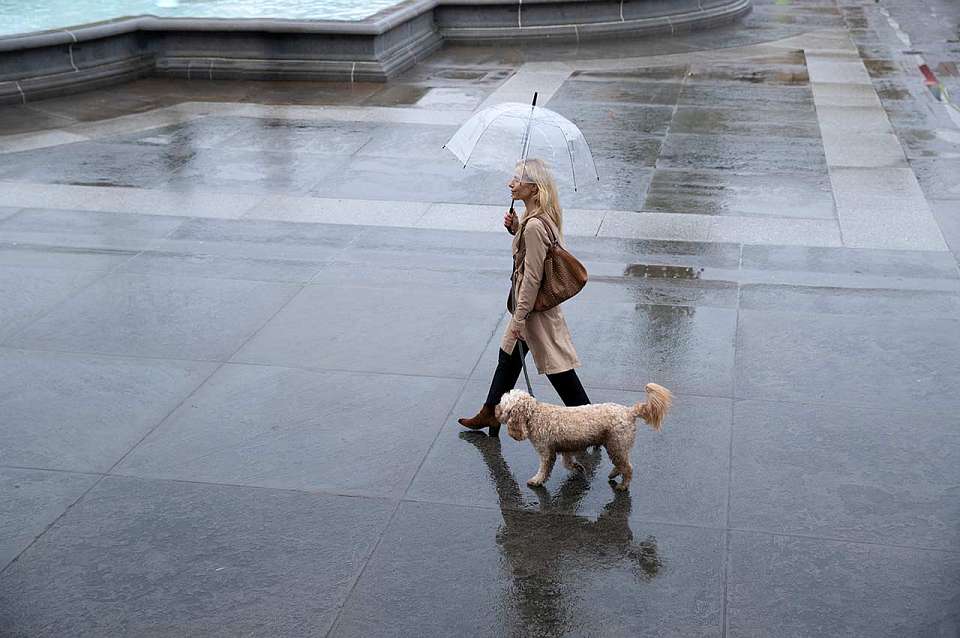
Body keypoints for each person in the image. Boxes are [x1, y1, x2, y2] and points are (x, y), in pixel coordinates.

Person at [459, 158, 590, 435]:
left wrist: (519, 317)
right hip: (530, 308)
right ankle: (491, 412)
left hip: (533, 311)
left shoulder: (534, 226)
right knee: (507, 356)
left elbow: (532, 277)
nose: (510, 183)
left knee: (559, 370)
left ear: (533, 188)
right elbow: (534, 255)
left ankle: (590, 423)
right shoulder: (538, 220)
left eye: (516, 179)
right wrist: (515, 228)